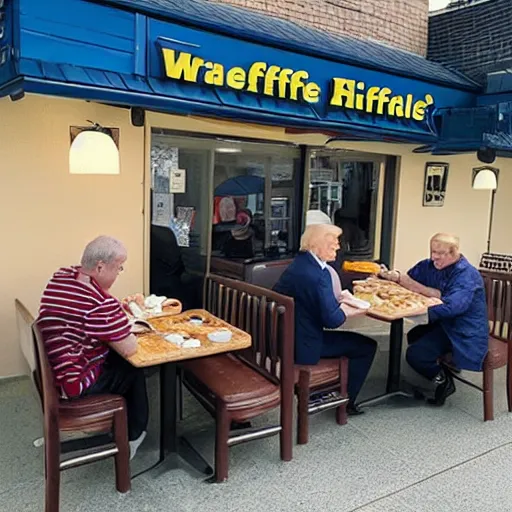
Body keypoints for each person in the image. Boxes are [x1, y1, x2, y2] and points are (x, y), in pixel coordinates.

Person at [37, 236, 149, 459]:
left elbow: (92, 307)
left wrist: (115, 310)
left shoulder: (63, 276)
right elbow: (130, 347)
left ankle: (124, 425)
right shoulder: (98, 304)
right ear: (100, 266)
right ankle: (135, 435)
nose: (119, 273)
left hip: (56, 371)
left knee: (115, 357)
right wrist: (123, 316)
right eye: (119, 268)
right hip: (75, 383)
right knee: (133, 367)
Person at [273, 223, 378, 414]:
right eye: (334, 243)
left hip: (287, 336)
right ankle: (344, 401)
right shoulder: (317, 275)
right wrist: (351, 309)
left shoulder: (302, 263)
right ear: (317, 244)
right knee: (367, 346)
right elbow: (333, 320)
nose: (338, 246)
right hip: (303, 345)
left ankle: (327, 392)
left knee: (354, 341)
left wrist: (339, 303)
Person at [379, 233, 488, 406]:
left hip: (462, 330)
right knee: (414, 335)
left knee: (415, 355)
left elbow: (453, 307)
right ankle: (438, 367)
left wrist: (418, 311)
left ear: (454, 253)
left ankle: (443, 381)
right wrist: (394, 276)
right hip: (444, 323)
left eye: (440, 253)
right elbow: (409, 279)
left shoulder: (467, 275)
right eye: (432, 251)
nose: (433, 257)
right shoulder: (429, 265)